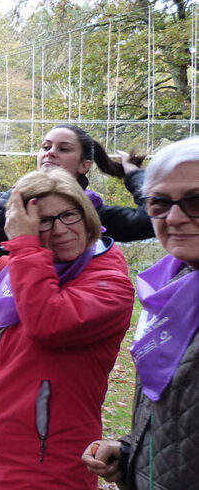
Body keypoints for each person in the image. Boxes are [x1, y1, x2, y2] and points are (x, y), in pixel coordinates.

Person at [0, 168, 135, 490]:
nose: (60, 229)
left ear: (86, 214)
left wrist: (27, 247)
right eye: (43, 220)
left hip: (43, 471)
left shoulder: (110, 283)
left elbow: (47, 322)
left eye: (69, 215)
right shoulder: (7, 267)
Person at [82, 136, 199, 490]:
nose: (175, 217)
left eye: (196, 201)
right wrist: (134, 453)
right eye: (159, 203)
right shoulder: (171, 285)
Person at [0, 124, 152, 269]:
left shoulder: (90, 212)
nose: (51, 153)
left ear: (84, 166)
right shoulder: (3, 199)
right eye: (46, 147)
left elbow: (151, 220)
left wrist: (134, 175)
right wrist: (20, 195)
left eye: (63, 149)